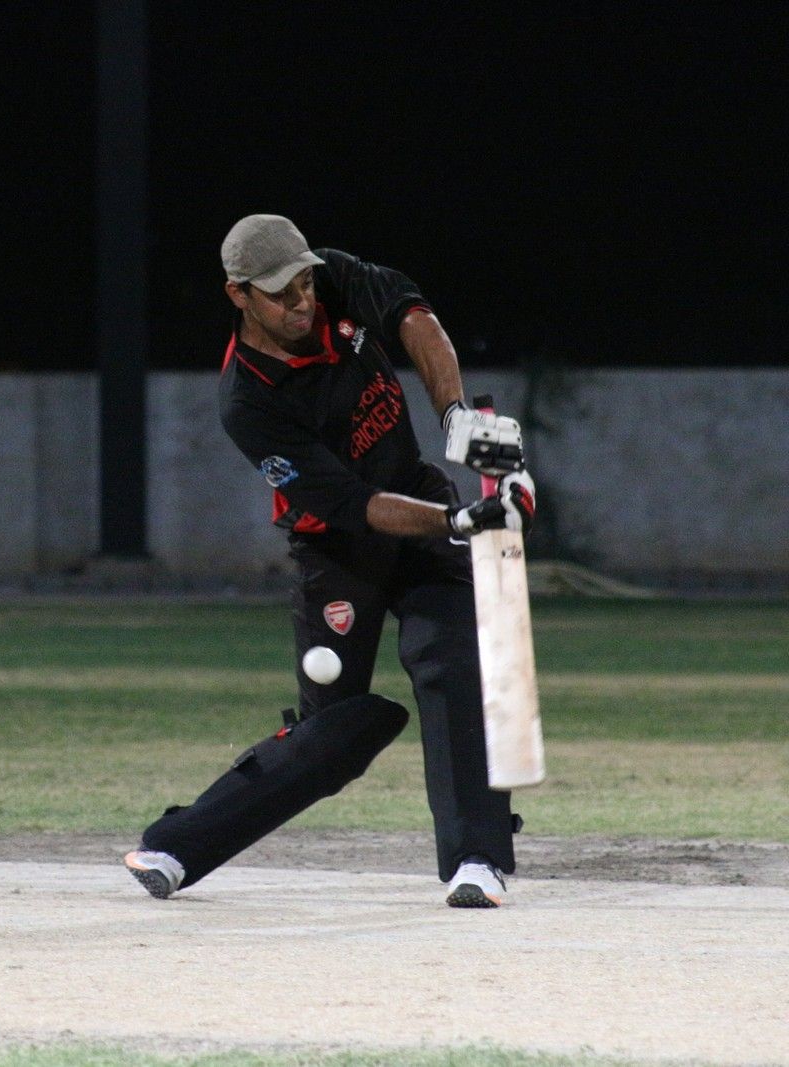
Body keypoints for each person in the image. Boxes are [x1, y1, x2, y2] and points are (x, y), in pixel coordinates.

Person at [124, 214, 534, 908]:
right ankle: (178, 844)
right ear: (239, 295)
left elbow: (414, 317)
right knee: (334, 738)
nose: (301, 302)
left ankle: (477, 859)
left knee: (452, 663)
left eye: (305, 285)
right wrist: (459, 520)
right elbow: (353, 504)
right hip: (337, 550)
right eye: (280, 294)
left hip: (417, 502)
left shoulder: (331, 278)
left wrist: (456, 416)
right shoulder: (247, 401)